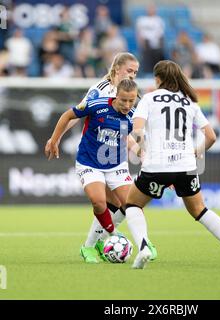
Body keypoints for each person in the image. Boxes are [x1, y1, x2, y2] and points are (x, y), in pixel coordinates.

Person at [125, 60, 220, 269]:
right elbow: (211, 136)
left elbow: (137, 130)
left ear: (158, 79)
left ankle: (143, 248)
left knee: (132, 204)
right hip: (185, 165)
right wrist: (195, 151)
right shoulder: (189, 102)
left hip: (156, 165)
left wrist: (142, 153)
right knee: (200, 211)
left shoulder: (148, 98)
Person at [45, 52, 157, 263]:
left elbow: (127, 133)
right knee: (104, 202)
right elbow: (75, 115)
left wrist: (143, 153)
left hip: (116, 160)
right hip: (93, 156)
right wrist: (56, 138)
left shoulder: (132, 99)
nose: (133, 75)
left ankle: (110, 239)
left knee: (129, 204)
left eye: (135, 72)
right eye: (129, 70)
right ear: (116, 69)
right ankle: (109, 238)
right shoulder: (99, 93)